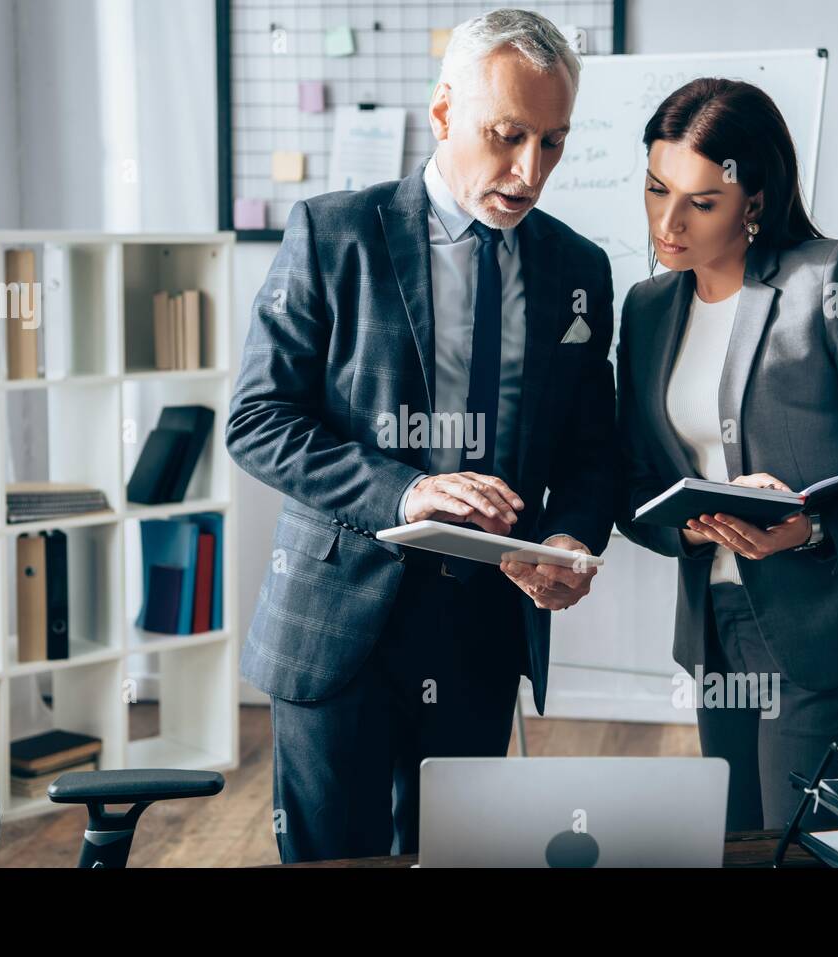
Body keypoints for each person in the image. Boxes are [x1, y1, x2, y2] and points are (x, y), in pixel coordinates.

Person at [226, 9, 616, 863]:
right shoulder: (333, 234)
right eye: (507, 135)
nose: (528, 171)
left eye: (552, 142)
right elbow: (257, 421)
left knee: (455, 857)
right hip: (336, 624)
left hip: (483, 626)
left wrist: (566, 538)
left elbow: (593, 448)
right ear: (443, 114)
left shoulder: (578, 269)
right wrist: (404, 491)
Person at [615, 77, 838, 831]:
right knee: (736, 845)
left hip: (832, 633)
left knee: (804, 850)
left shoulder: (829, 280)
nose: (667, 222)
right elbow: (632, 487)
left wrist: (807, 525)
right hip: (717, 632)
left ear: (755, 200)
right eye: (655, 188)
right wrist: (694, 525)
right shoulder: (645, 309)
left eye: (702, 202)